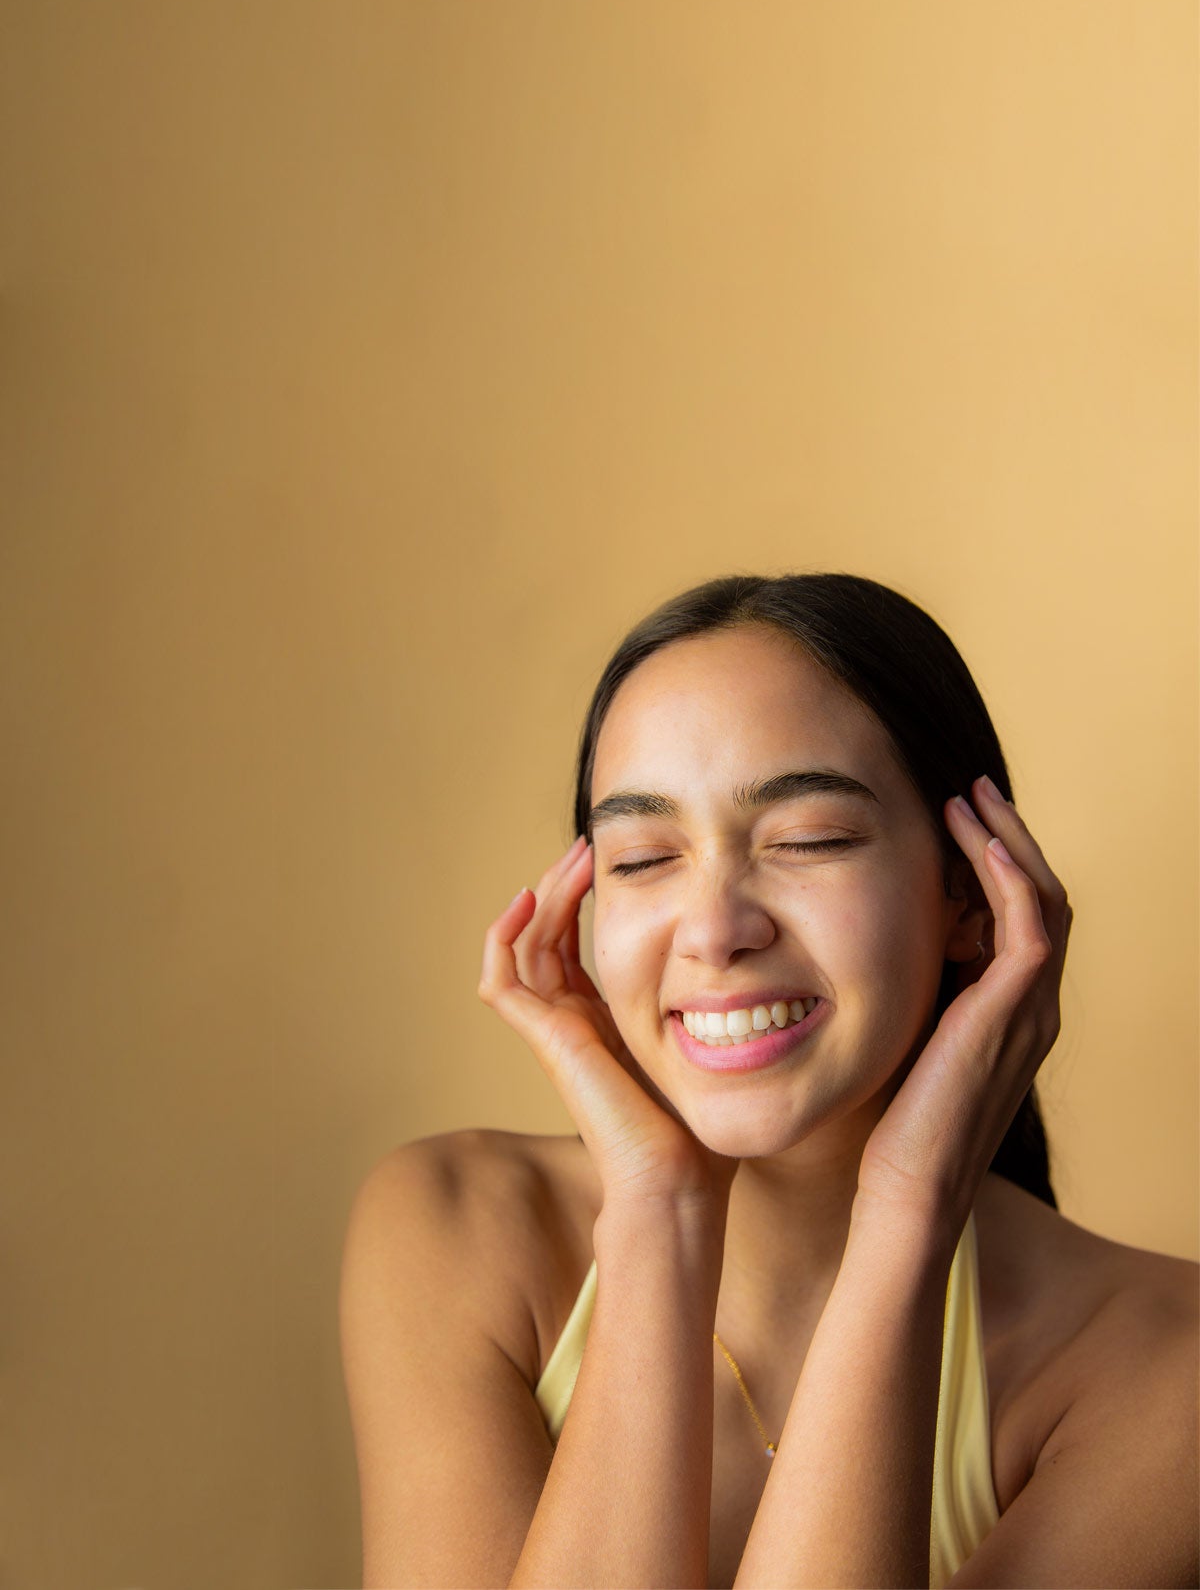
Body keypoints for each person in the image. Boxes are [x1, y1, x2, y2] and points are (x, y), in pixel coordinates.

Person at [339, 572, 1199, 1588]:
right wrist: (659, 1209)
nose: (713, 930)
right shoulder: (452, 1229)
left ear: (973, 895)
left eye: (808, 840)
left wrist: (909, 1209)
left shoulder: (1163, 1365)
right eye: (645, 856)